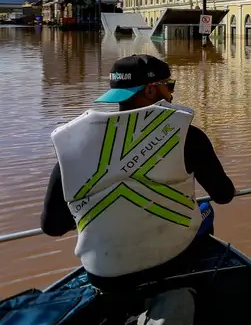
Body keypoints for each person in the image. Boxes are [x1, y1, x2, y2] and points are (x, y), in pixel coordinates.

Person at [41, 54, 235, 324]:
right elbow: (223, 195)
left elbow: (52, 226)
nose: (171, 93)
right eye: (169, 85)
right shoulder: (187, 136)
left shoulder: (73, 146)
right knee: (206, 211)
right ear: (151, 90)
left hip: (103, 276)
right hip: (171, 264)